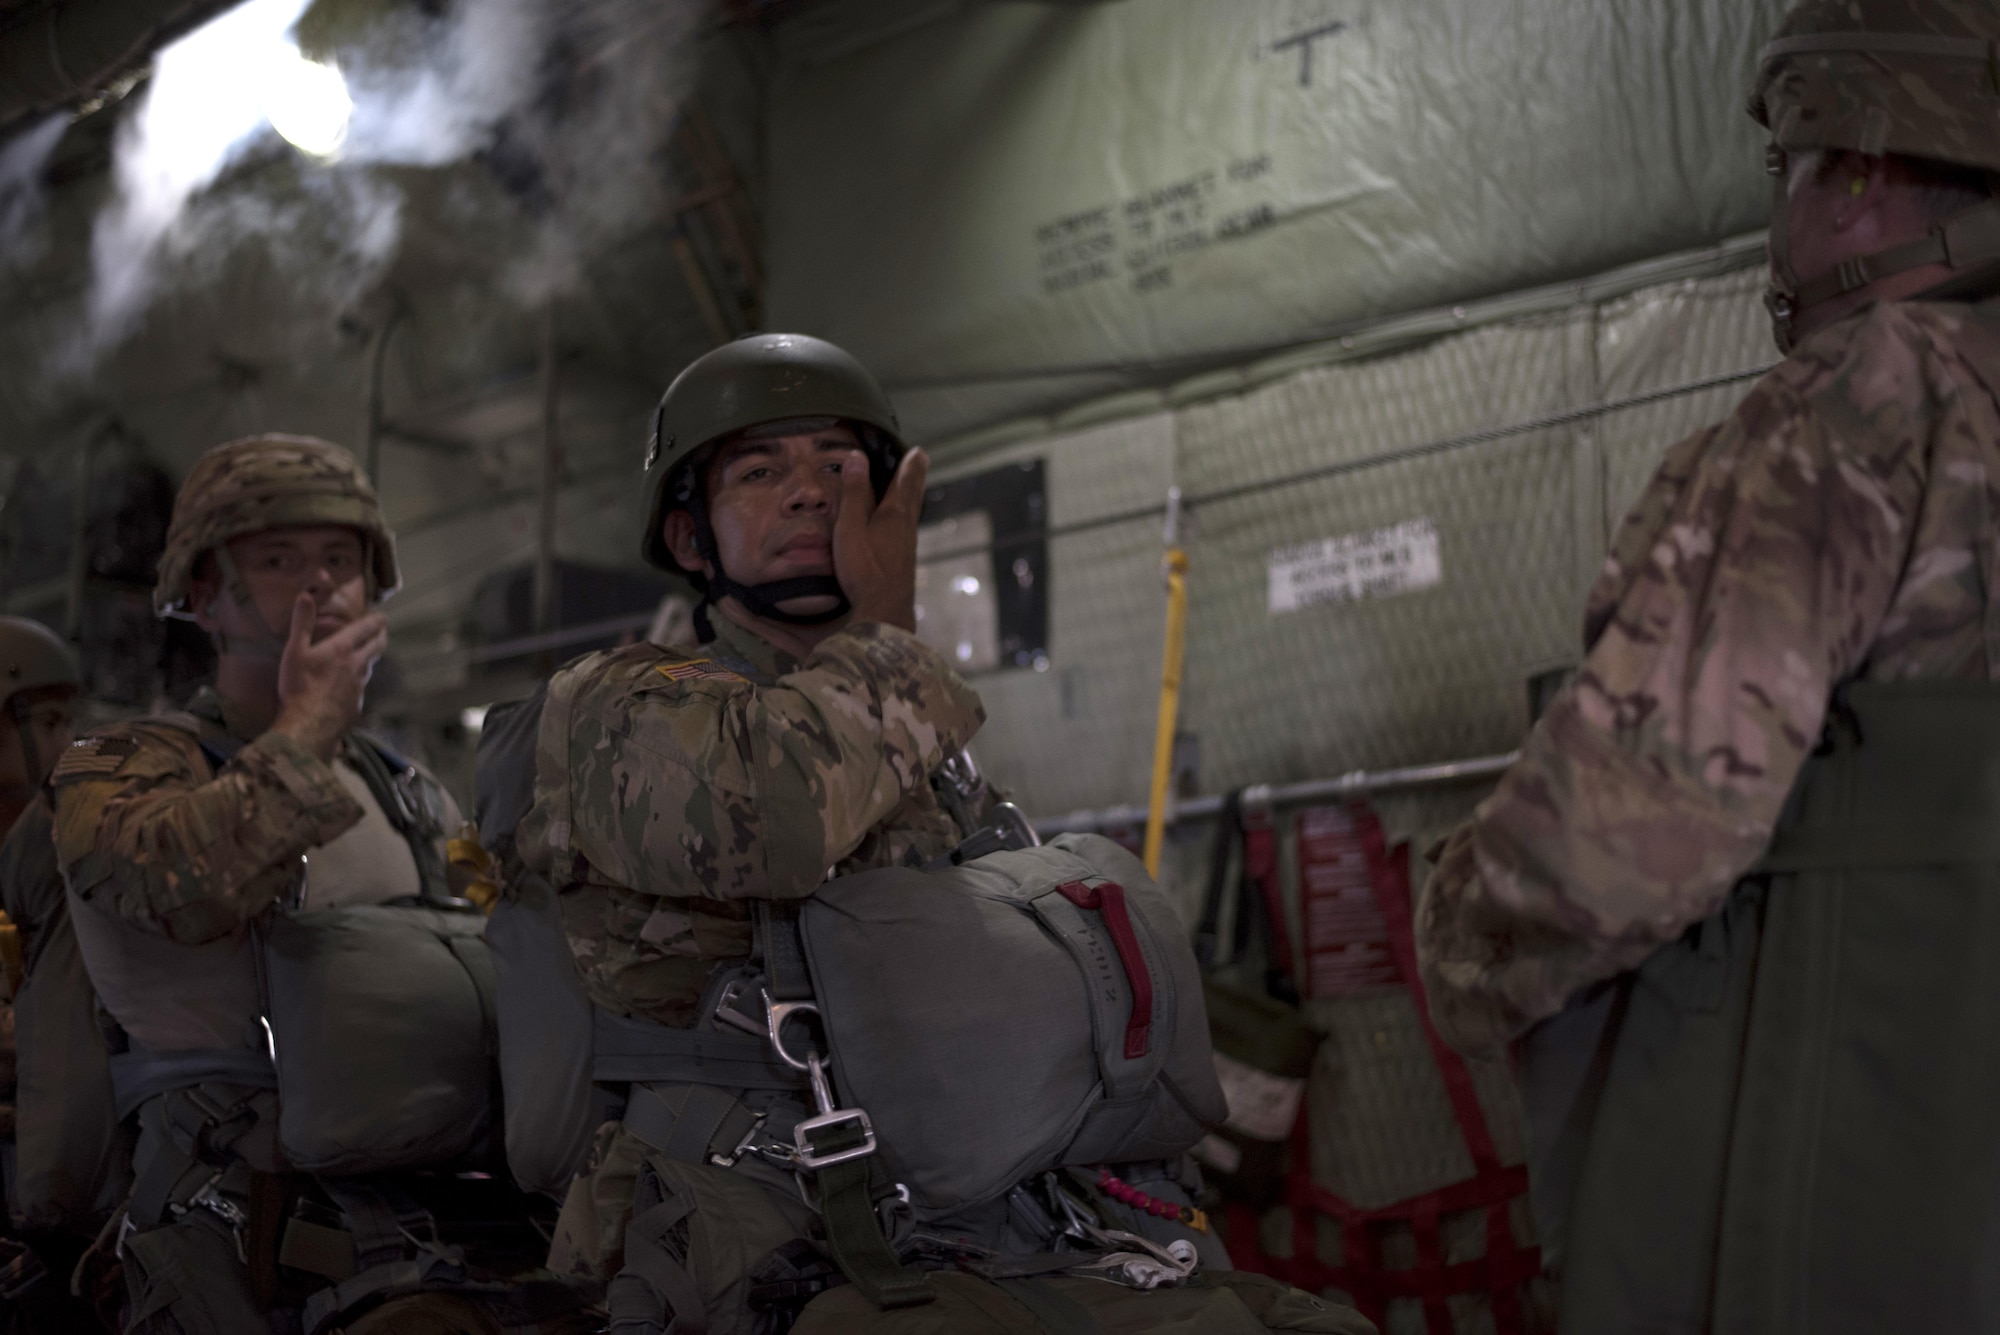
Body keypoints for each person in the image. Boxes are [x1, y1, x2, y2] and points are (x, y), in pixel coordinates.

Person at [1413, 2, 2000, 1330]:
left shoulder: (1866, 402)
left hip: (1848, 1211)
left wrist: (1454, 932)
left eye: (1788, 173)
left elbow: (1614, 840)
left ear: (1856, 172)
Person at [50, 435, 561, 1334]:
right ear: (203, 594)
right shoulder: (117, 761)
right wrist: (307, 725)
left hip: (434, 1220)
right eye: (279, 560)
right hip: (242, 1231)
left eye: (340, 560)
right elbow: (176, 886)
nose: (319, 587)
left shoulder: (410, 788)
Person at [517, 333, 991, 1286]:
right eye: (762, 470)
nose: (811, 491)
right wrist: (888, 626)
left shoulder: (909, 727)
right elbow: (777, 813)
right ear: (692, 536)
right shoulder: (618, 702)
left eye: (838, 464)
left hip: (937, 1179)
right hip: (722, 1216)